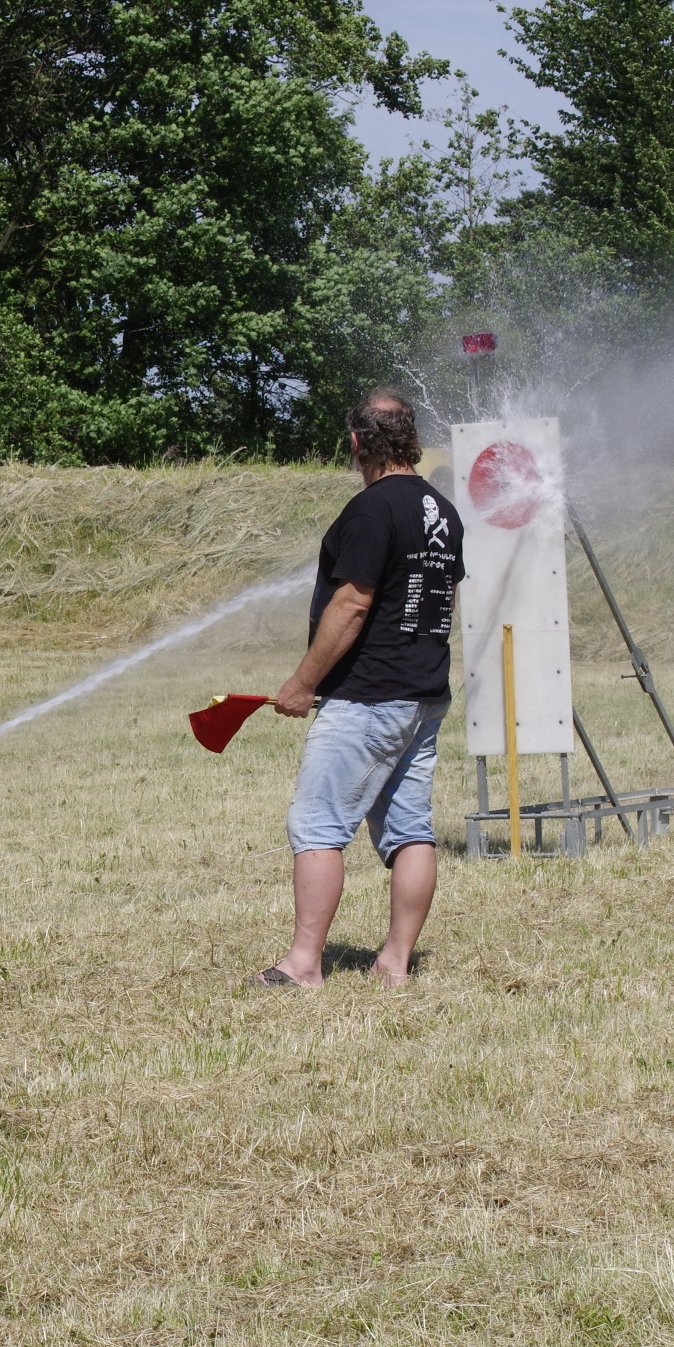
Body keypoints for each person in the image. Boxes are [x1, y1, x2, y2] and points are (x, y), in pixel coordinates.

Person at [255, 391, 464, 988]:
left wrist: (303, 683)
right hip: (422, 693)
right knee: (411, 830)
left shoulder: (372, 510)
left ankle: (303, 965)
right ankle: (395, 963)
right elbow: (445, 598)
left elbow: (352, 603)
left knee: (318, 826)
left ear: (356, 441)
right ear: (409, 436)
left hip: (369, 697)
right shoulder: (443, 510)